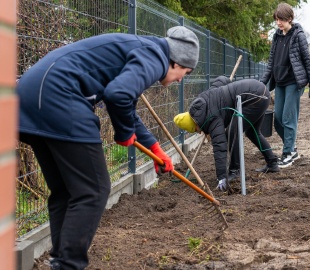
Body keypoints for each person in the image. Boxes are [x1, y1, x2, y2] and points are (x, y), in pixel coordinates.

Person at [16, 26, 199, 270]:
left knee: (67, 191)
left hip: (27, 100)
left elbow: (126, 106)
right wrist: (123, 134)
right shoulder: (156, 56)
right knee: (94, 189)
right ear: (176, 62)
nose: (180, 80)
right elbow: (118, 95)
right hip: (60, 98)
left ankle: (60, 262)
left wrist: (156, 149)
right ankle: (68, 264)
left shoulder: (142, 49)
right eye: (184, 73)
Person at [173, 76, 279, 192]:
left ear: (195, 123)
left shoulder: (212, 118)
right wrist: (229, 85)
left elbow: (220, 147)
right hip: (260, 92)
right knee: (252, 132)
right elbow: (221, 80)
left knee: (232, 132)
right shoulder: (204, 100)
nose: (198, 132)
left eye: (195, 130)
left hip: (254, 97)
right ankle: (272, 163)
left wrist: (221, 176)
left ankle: (235, 170)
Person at [260, 2, 310, 168]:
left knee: (288, 118)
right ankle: (292, 148)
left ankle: (288, 153)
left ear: (290, 19)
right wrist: (262, 84)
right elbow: (271, 63)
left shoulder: (298, 35)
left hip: (294, 82)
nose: (278, 23)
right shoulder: (277, 36)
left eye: (281, 20)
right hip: (280, 82)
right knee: (277, 119)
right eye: (277, 20)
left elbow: (307, 59)